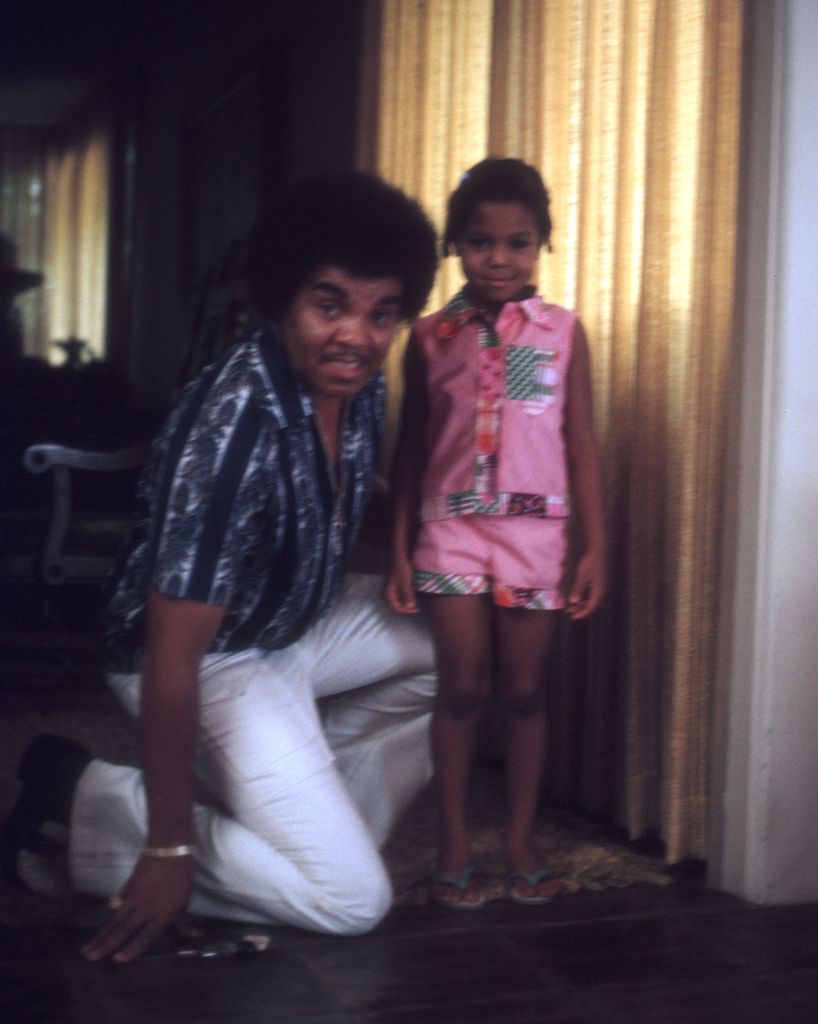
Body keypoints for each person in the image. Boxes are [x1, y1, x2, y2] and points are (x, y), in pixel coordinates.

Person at [0, 171, 440, 958]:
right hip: (210, 659)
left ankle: (297, 821)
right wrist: (170, 848)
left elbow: (347, 495)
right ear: (280, 301)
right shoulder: (233, 428)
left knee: (462, 638)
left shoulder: (360, 383)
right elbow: (175, 652)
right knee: (349, 901)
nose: (357, 337)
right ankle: (87, 802)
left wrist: (459, 540)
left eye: (382, 314)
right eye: (329, 305)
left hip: (295, 622)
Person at [385, 157, 606, 909]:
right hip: (449, 534)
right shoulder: (429, 337)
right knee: (463, 687)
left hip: (537, 536)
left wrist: (595, 549)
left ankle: (518, 839)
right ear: (455, 246)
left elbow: (580, 444)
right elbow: (411, 447)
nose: (500, 259)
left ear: (542, 244)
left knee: (520, 691)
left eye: (518, 243)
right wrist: (397, 549)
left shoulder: (562, 333)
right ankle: (451, 840)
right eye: (481, 243)